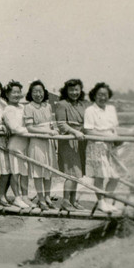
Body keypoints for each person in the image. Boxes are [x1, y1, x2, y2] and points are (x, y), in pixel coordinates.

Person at [84, 82, 126, 213]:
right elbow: (89, 132)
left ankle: (107, 201)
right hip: (97, 146)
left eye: (105, 95)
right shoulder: (90, 110)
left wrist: (117, 138)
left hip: (111, 147)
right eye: (100, 95)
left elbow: (114, 128)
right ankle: (101, 203)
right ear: (94, 96)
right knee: (100, 176)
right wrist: (106, 136)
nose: (102, 97)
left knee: (116, 175)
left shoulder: (111, 109)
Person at [24, 80, 59, 210]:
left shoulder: (48, 106)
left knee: (48, 170)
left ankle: (48, 197)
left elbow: (52, 124)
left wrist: (53, 132)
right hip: (37, 141)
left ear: (44, 92)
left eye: (40, 91)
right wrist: (48, 131)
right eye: (35, 92)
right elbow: (30, 128)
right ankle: (41, 198)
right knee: (38, 170)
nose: (38, 94)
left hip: (49, 141)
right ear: (30, 93)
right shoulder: (28, 107)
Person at [55, 78, 87, 211]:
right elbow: (61, 124)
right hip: (68, 141)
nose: (74, 92)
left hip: (81, 141)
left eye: (76, 90)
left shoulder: (81, 104)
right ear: (66, 91)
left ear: (80, 90)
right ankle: (66, 201)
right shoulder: (62, 104)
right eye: (71, 90)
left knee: (78, 173)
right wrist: (75, 132)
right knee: (71, 173)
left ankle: (73, 201)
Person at [2, 81, 33, 209]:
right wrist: (31, 130)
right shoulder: (8, 109)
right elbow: (14, 128)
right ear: (8, 94)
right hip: (15, 144)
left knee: (25, 172)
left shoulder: (23, 107)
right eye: (13, 92)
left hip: (26, 143)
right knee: (15, 172)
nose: (16, 95)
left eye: (18, 92)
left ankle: (25, 196)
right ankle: (17, 197)